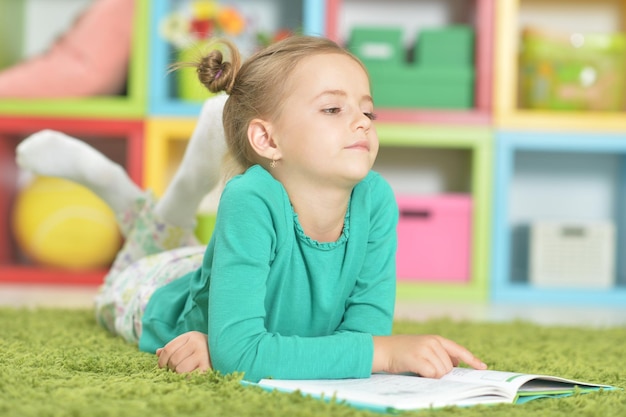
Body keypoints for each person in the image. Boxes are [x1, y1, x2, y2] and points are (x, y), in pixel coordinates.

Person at [16, 35, 487, 382]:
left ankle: (180, 178)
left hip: (205, 264)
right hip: (156, 292)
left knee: (186, 245)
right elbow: (248, 350)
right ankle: (112, 184)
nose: (362, 122)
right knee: (139, 257)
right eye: (332, 110)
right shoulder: (250, 197)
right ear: (267, 139)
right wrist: (383, 354)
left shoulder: (376, 199)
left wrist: (372, 349)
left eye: (368, 110)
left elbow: (362, 335)